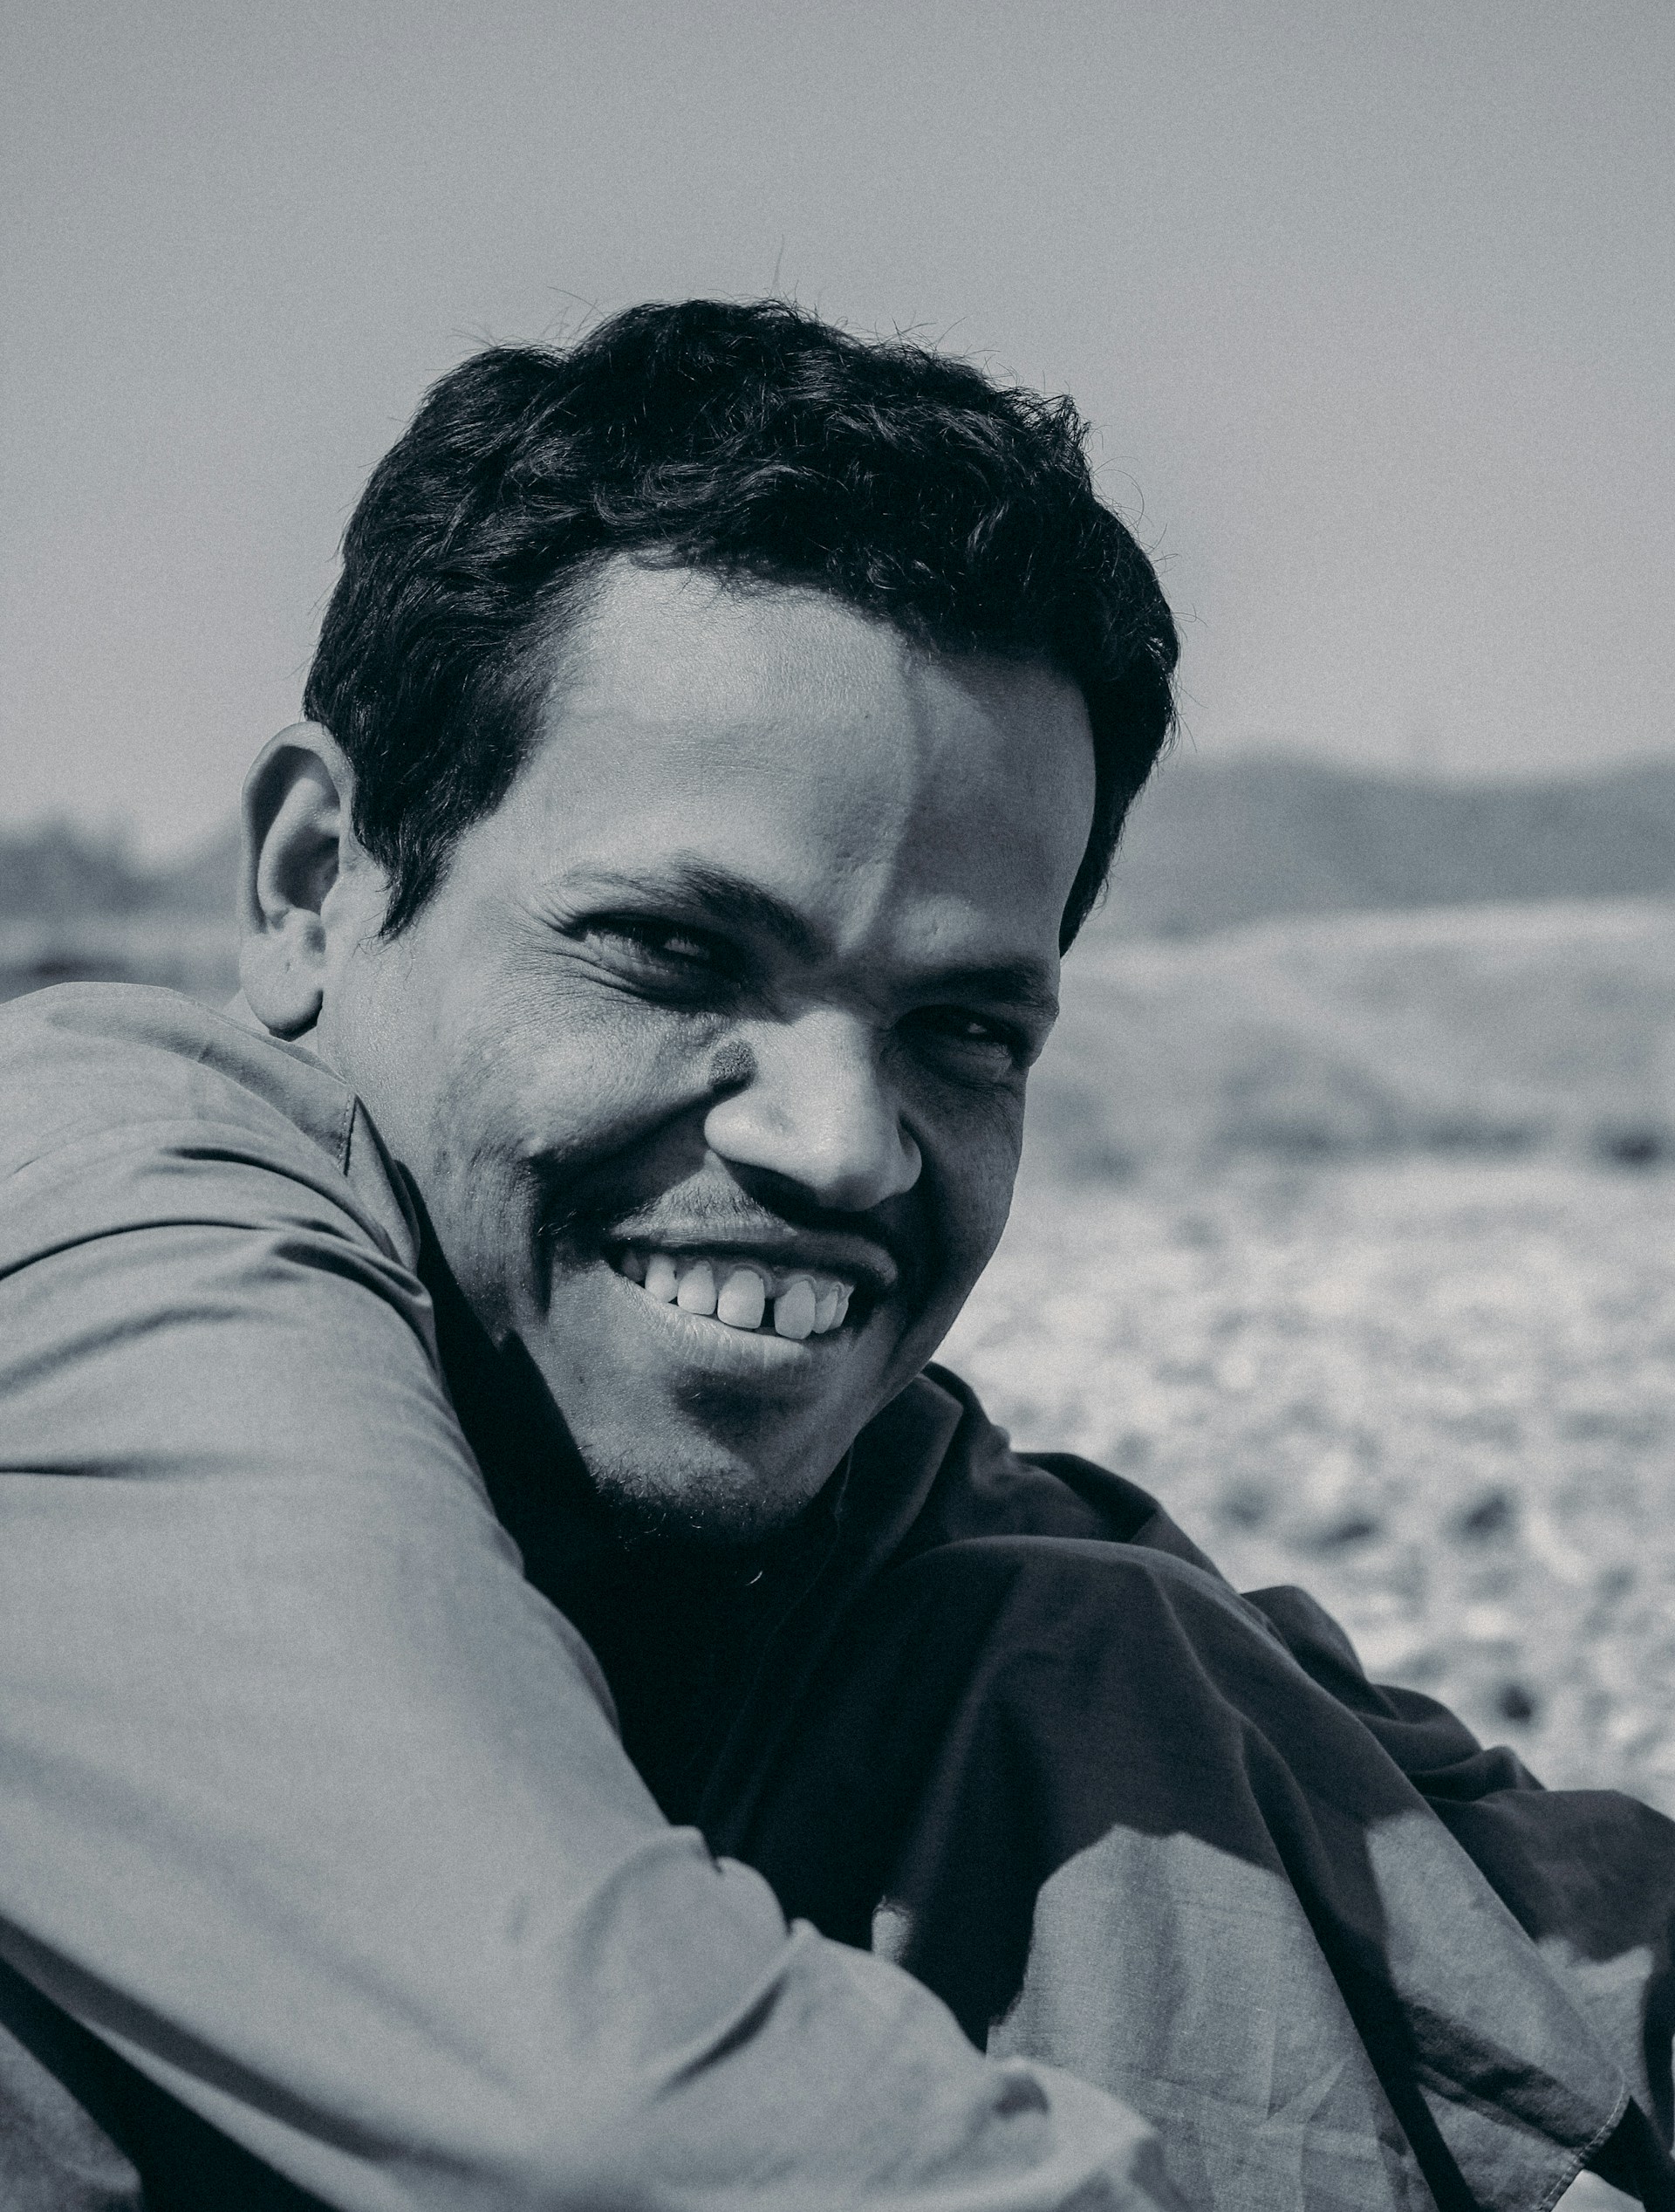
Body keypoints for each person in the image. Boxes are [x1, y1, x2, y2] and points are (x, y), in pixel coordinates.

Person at [0, 300, 1670, 2212]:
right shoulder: (94, 1216)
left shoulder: (856, 1516)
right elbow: (618, 2111)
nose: (840, 1143)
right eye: (671, 953)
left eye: (964, 1028)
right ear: (317, 881)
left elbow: (1561, 1932)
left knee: (1089, 1669)